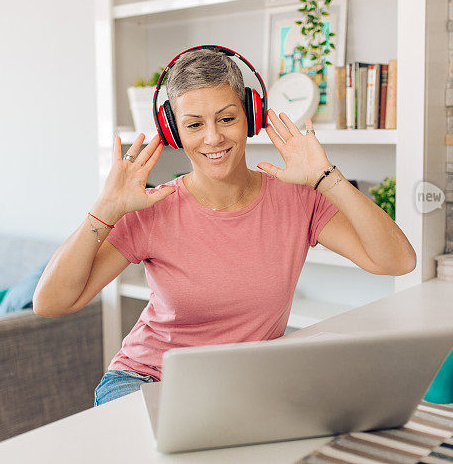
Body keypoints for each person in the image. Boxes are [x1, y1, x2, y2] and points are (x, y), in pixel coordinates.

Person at [32, 48, 416, 407]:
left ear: (250, 115)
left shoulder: (297, 199)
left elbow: (397, 261)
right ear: (173, 132)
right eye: (194, 124)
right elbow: (51, 303)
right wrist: (104, 211)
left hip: (245, 387)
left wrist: (326, 178)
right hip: (148, 381)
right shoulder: (151, 207)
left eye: (227, 118)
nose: (213, 138)